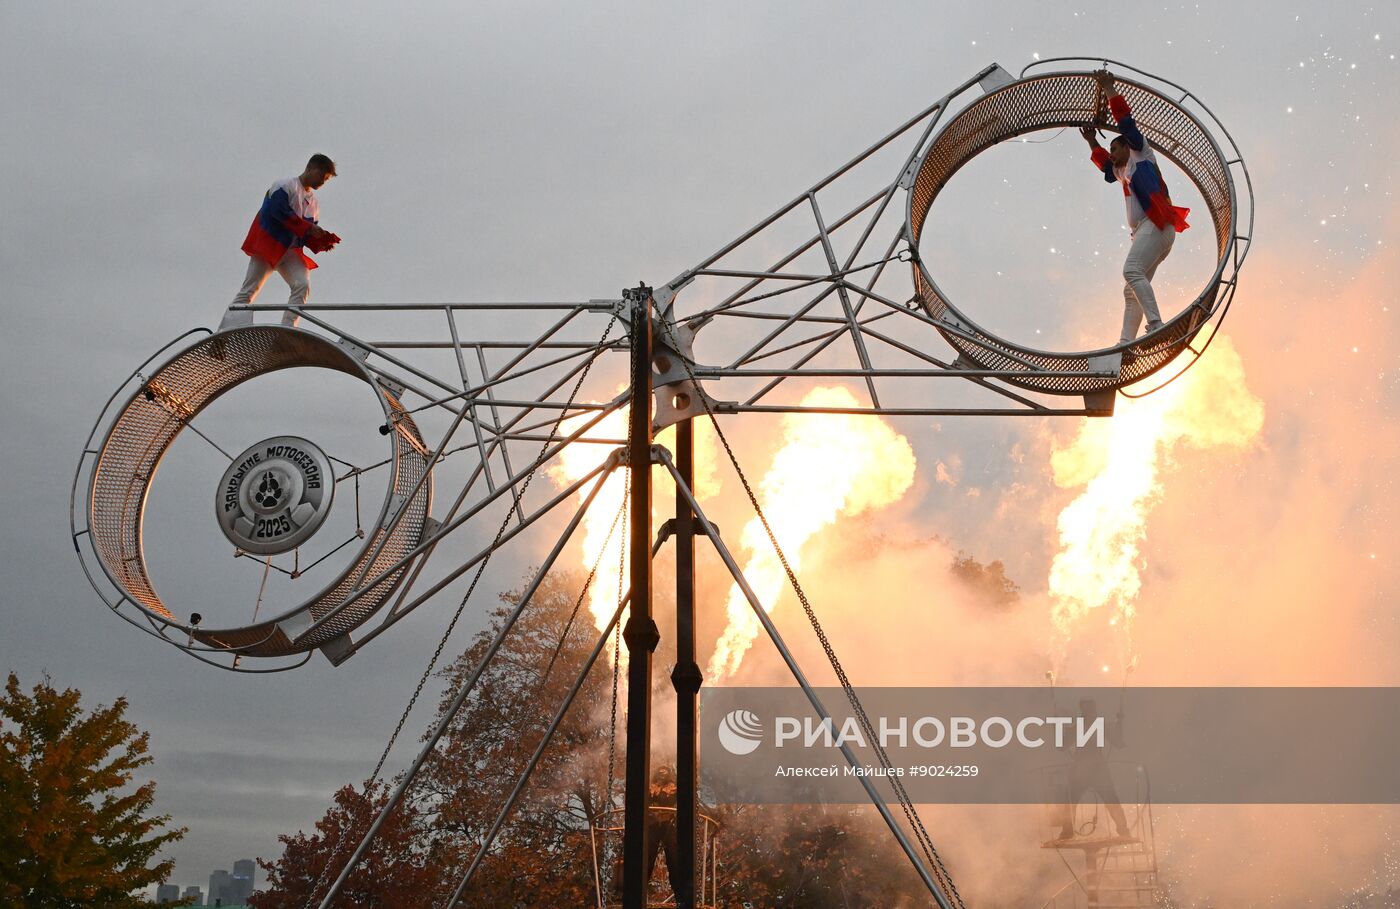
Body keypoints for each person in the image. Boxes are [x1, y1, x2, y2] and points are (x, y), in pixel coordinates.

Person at [1079, 71, 1191, 345]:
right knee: (1131, 290)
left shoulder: (1141, 153)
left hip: (1157, 224)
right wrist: (1092, 141)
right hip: (1150, 232)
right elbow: (1106, 168)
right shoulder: (1120, 170)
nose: (1112, 153)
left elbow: (1126, 123)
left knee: (1131, 271)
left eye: (1115, 148)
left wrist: (1109, 88)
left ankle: (1155, 324)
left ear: (1127, 147)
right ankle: (1125, 342)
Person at [228, 154, 341, 330]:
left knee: (302, 285)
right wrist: (309, 229)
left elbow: (303, 232)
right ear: (311, 168)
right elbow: (277, 212)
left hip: (290, 251)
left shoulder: (313, 203)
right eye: (323, 177)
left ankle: (287, 331)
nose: (323, 182)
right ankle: (223, 337)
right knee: (249, 290)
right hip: (270, 245)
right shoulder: (285, 186)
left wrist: (321, 240)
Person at [1057, 697, 1130, 840]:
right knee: (1109, 800)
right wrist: (1119, 722)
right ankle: (1123, 830)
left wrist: (1057, 727)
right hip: (1095, 769)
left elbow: (1062, 745)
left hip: (1085, 770)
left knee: (1071, 800)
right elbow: (1118, 743)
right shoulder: (1099, 726)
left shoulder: (1080, 727)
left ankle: (1067, 832)